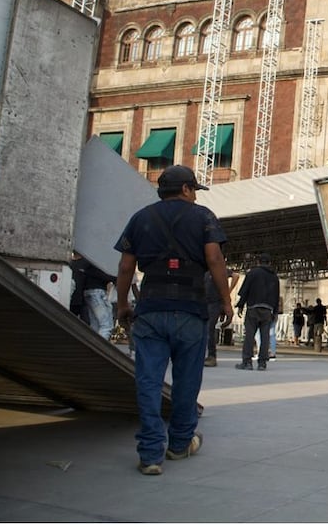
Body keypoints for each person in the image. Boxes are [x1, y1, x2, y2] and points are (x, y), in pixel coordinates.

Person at [114, 164, 233, 476]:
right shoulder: (204, 217)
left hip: (151, 310)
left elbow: (126, 266)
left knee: (149, 381)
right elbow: (214, 258)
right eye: (193, 190)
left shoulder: (140, 218)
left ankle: (151, 454)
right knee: (186, 381)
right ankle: (179, 444)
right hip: (190, 311)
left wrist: (123, 304)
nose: (194, 196)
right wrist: (226, 300)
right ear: (185, 189)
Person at [234, 253, 280, 371]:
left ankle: (247, 362)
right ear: (269, 263)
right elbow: (276, 296)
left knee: (249, 336)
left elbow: (245, 291)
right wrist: (275, 312)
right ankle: (262, 363)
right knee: (265, 337)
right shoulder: (274, 277)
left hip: (253, 308)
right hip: (268, 310)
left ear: (258, 262)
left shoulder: (252, 273)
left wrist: (240, 305)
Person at [70, 251, 117, 339]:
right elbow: (103, 275)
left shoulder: (86, 262)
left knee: (95, 326)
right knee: (106, 325)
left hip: (88, 294)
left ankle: (93, 348)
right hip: (97, 293)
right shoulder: (95, 261)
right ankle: (101, 350)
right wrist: (116, 279)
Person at [204, 267, 239, 367]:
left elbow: (235, 276)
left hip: (215, 303)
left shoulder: (219, 268)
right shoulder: (204, 270)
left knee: (209, 328)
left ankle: (211, 356)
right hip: (204, 302)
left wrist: (228, 292)